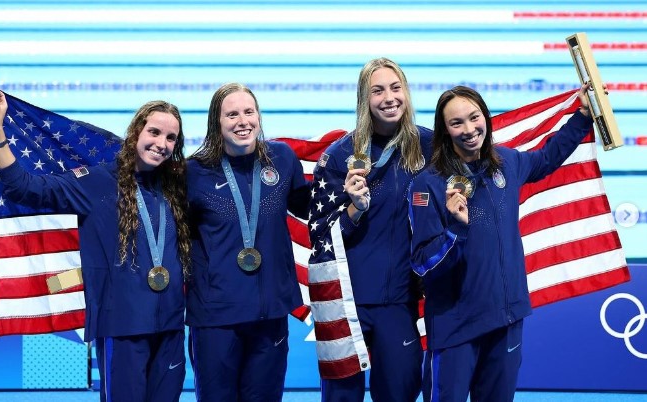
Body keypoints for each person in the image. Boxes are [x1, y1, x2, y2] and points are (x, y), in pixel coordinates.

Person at [0, 91, 190, 402]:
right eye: (155, 132)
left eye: (171, 137)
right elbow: (24, 188)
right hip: (122, 327)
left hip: (171, 326)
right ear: (136, 132)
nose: (162, 143)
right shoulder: (96, 182)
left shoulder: (177, 187)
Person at [408, 83, 595, 402]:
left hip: (506, 318)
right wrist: (455, 229)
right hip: (456, 327)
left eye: (474, 117)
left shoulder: (507, 163)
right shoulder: (428, 185)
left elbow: (547, 158)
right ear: (444, 132)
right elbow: (423, 264)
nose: (469, 129)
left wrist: (582, 118)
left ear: (486, 118)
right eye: (457, 123)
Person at [308, 57, 432, 401]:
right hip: (348, 303)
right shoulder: (338, 156)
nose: (388, 97)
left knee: (399, 394)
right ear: (364, 99)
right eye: (377, 91)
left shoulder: (429, 146)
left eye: (395, 88)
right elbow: (319, 238)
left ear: (406, 92)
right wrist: (353, 211)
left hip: (400, 302)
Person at [186, 83, 311, 401]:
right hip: (215, 319)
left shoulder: (281, 159)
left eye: (248, 112)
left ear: (258, 116)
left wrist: (350, 194)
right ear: (217, 122)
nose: (242, 121)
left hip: (268, 314)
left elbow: (310, 207)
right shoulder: (194, 172)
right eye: (232, 114)